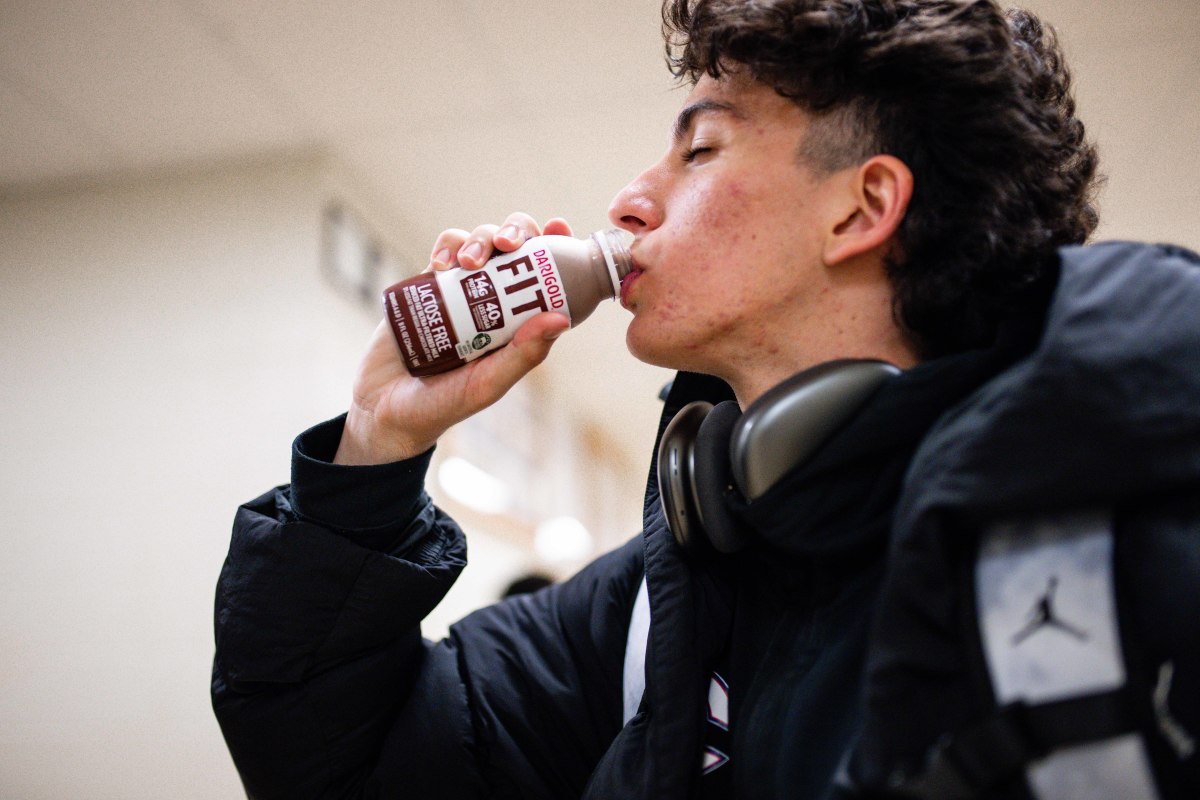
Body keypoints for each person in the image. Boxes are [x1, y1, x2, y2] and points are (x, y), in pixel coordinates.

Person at [212, 1, 1199, 798]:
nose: (630, 202)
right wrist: (373, 455)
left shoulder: (1136, 531)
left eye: (700, 149)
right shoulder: (658, 601)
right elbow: (349, 765)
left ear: (860, 208)